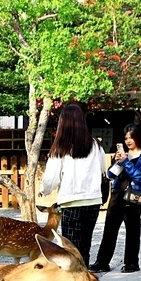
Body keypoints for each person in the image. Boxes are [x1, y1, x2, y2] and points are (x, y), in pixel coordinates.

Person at [39, 103, 107, 265]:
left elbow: (51, 178)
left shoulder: (61, 147)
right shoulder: (95, 146)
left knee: (71, 248)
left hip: (71, 202)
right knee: (85, 247)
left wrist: (44, 190)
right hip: (93, 201)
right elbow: (102, 169)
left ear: (63, 123)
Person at [90, 124, 141, 273]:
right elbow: (110, 175)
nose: (128, 141)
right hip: (117, 195)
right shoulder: (122, 155)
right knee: (109, 229)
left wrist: (126, 162)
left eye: (131, 137)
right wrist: (117, 162)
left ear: (137, 137)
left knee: (132, 231)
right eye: (126, 138)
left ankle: (131, 263)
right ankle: (102, 262)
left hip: (133, 197)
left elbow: (140, 178)